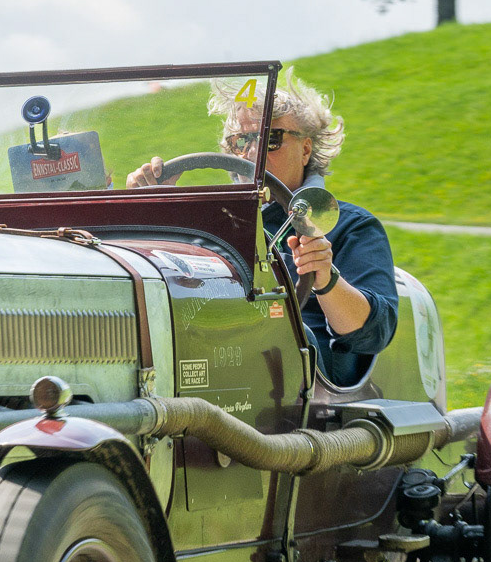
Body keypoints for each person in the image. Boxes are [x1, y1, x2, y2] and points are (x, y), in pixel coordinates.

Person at [124, 70, 397, 385]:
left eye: (271, 139)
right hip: (213, 355)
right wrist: (146, 209)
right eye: (241, 141)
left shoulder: (348, 225)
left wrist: (325, 275)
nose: (252, 152)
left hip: (307, 389)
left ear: (306, 149)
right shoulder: (209, 225)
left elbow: (374, 334)